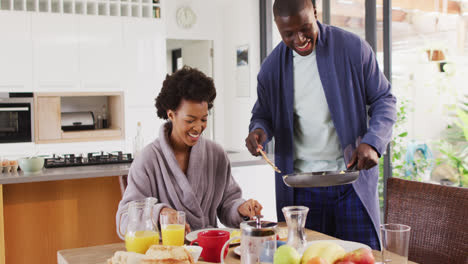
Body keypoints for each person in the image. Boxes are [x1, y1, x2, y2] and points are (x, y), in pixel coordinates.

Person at [245, 0, 396, 249]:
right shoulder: (271, 68)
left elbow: (384, 98)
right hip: (301, 190)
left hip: (351, 183)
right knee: (306, 257)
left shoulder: (353, 48)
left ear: (315, 13)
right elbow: (263, 115)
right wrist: (258, 132)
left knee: (362, 255)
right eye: (288, 34)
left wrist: (373, 142)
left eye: (305, 28)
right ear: (277, 27)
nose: (300, 38)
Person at [117, 66, 262, 238]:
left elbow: (227, 203)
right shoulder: (148, 160)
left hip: (210, 251)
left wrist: (241, 208)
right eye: (190, 120)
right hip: (168, 254)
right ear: (171, 115)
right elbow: (124, 219)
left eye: (204, 119)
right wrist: (160, 213)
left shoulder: (216, 155)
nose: (198, 127)